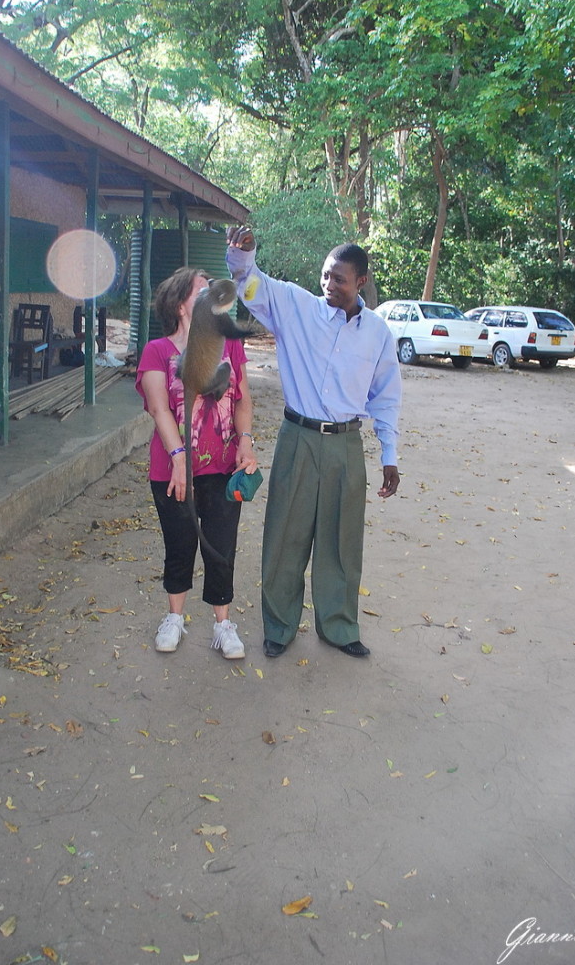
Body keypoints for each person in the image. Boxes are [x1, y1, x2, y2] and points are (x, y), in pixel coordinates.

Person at [226, 226, 401, 659]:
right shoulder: (297, 307)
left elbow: (386, 396)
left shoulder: (377, 333)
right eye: (325, 276)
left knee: (341, 540)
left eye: (339, 279)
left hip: (346, 446)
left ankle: (339, 627)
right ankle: (279, 627)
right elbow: (252, 287)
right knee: (285, 534)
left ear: (361, 281)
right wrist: (241, 257)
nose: (328, 286)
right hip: (298, 438)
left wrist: (389, 454)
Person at [136, 266, 258, 659]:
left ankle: (223, 625)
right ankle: (175, 618)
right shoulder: (158, 350)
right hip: (173, 470)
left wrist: (247, 442)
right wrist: (178, 457)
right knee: (179, 544)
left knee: (222, 546)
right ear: (181, 304)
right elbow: (159, 409)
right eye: (202, 293)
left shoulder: (229, 345)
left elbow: (242, 398)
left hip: (224, 468)